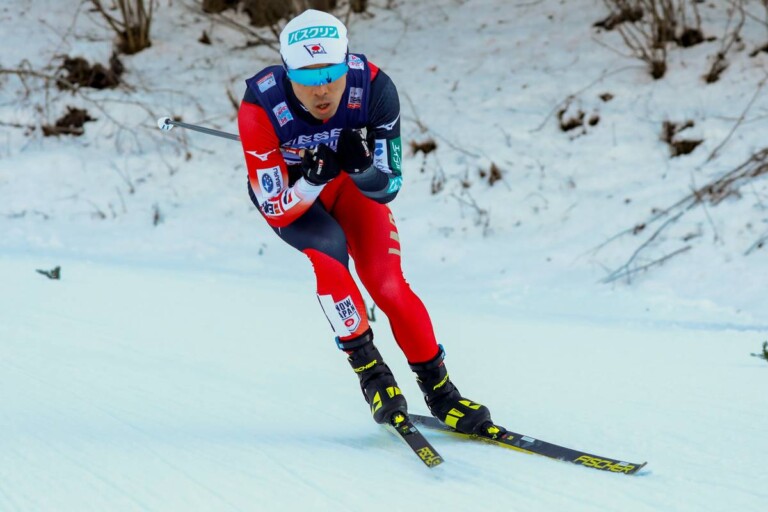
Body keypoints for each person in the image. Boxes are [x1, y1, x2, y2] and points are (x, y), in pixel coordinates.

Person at [237, 9, 494, 434]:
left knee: (386, 282)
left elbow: (389, 186)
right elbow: (277, 208)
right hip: (294, 197)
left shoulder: (373, 88)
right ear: (287, 74)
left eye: (331, 76)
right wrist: (310, 181)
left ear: (347, 65)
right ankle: (373, 375)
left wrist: (362, 169)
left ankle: (442, 393)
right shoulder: (261, 105)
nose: (322, 91)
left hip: (349, 187)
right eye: (306, 79)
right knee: (329, 256)